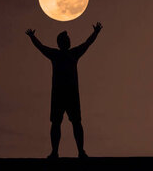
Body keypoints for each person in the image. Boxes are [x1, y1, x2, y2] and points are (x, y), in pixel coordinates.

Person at [25, 22, 103, 159]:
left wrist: (96, 33)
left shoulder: (72, 54)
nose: (68, 41)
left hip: (70, 94)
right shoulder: (57, 55)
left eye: (68, 40)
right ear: (61, 43)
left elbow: (87, 43)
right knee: (57, 123)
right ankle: (56, 152)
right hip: (59, 94)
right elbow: (41, 47)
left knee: (75, 122)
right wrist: (32, 37)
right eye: (65, 40)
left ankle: (80, 151)